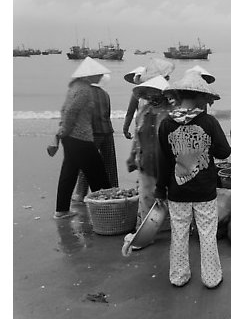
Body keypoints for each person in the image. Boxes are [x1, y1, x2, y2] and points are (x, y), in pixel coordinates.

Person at [154, 70, 231, 288]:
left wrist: (160, 189)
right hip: (205, 189)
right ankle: (211, 278)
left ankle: (178, 276)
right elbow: (224, 152)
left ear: (178, 94)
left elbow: (164, 162)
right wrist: (207, 144)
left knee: (179, 233)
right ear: (200, 96)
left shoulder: (166, 124)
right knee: (207, 233)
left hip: (177, 190)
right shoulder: (209, 122)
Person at [51, 57, 112, 219]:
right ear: (89, 75)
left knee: (69, 173)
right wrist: (63, 131)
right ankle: (106, 212)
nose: (100, 77)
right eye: (98, 74)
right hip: (80, 138)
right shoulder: (84, 90)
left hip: (71, 138)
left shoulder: (74, 87)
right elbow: (70, 112)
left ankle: (62, 210)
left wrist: (62, 132)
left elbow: (64, 110)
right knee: (98, 174)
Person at [129, 75, 172, 228]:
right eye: (148, 92)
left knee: (167, 198)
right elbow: (137, 135)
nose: (151, 95)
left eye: (154, 92)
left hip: (167, 165)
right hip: (146, 162)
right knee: (146, 198)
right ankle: (147, 231)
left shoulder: (172, 112)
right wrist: (132, 155)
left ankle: (167, 228)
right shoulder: (144, 111)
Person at [71, 73, 119, 202]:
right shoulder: (105, 94)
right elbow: (107, 113)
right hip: (107, 131)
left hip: (92, 133)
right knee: (109, 163)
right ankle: (113, 189)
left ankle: (80, 193)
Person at [122, 59, 175, 140]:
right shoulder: (164, 91)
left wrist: (125, 128)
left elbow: (130, 112)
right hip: (153, 126)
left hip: (146, 125)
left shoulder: (139, 94)